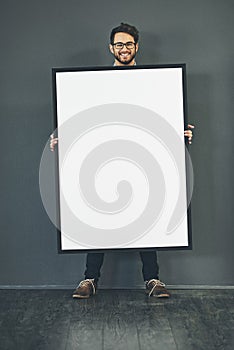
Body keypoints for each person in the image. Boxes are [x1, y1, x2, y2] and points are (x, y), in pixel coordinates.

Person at [50, 23, 194, 298]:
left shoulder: (154, 81)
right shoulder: (97, 83)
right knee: (97, 215)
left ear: (136, 47)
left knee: (148, 214)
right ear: (111, 48)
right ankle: (90, 279)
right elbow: (85, 115)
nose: (124, 49)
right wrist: (64, 138)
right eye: (119, 45)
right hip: (106, 158)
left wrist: (179, 131)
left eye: (129, 44)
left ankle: (152, 279)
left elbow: (162, 114)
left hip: (143, 158)